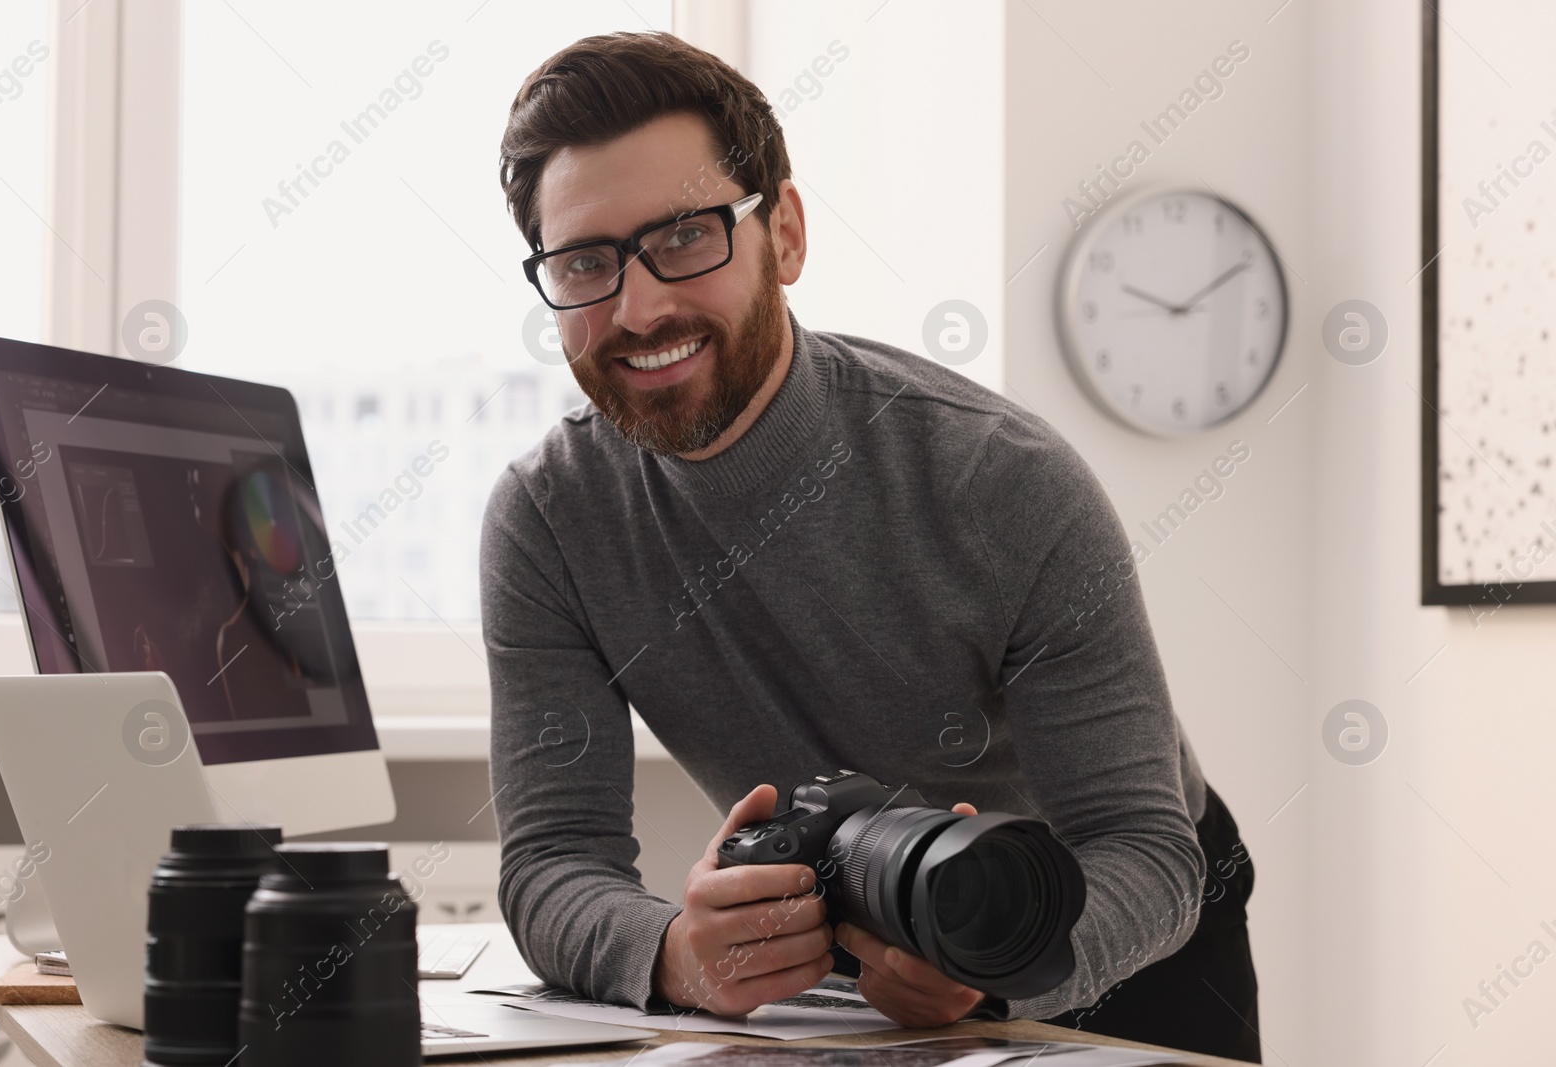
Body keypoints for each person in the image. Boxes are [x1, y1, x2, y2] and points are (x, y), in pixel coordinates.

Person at [482, 30, 1261, 1063]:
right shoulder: (547, 521)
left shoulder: (1005, 482)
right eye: (586, 262)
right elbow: (550, 861)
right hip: (872, 942)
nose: (639, 306)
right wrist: (678, 951)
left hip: (1115, 929)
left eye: (684, 237)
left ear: (786, 235)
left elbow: (1146, 850)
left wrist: (990, 965)